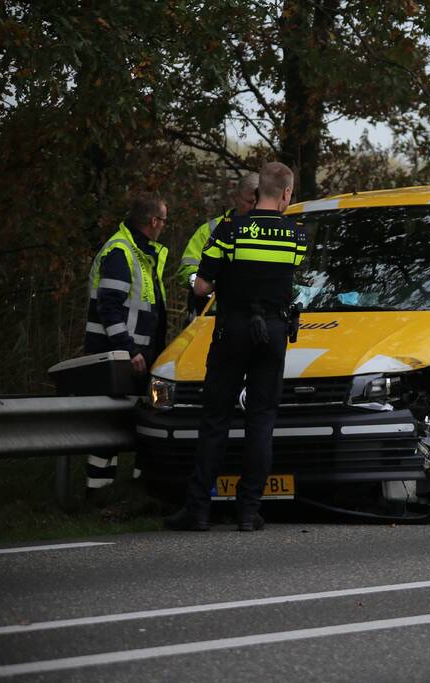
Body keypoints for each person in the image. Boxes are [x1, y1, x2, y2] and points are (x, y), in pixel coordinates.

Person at [165, 162, 306, 532]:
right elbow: (294, 278)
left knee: (215, 421)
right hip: (274, 332)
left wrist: (226, 278)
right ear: (287, 193)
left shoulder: (231, 230)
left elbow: (201, 288)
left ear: (258, 191)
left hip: (233, 329)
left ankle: (197, 510)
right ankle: (248, 511)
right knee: (261, 421)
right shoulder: (296, 235)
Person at [84, 193, 169, 495]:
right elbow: (109, 307)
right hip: (117, 357)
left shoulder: (141, 252)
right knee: (108, 429)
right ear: (154, 221)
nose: (164, 227)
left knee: (137, 426)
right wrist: (129, 349)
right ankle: (97, 494)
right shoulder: (122, 252)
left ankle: (132, 493)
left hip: (136, 358)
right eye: (164, 220)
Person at [176, 173, 259, 321]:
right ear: (236, 196)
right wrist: (202, 281)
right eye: (250, 201)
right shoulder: (209, 230)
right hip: (207, 315)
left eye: (258, 202)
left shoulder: (269, 230)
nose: (254, 207)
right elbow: (187, 267)